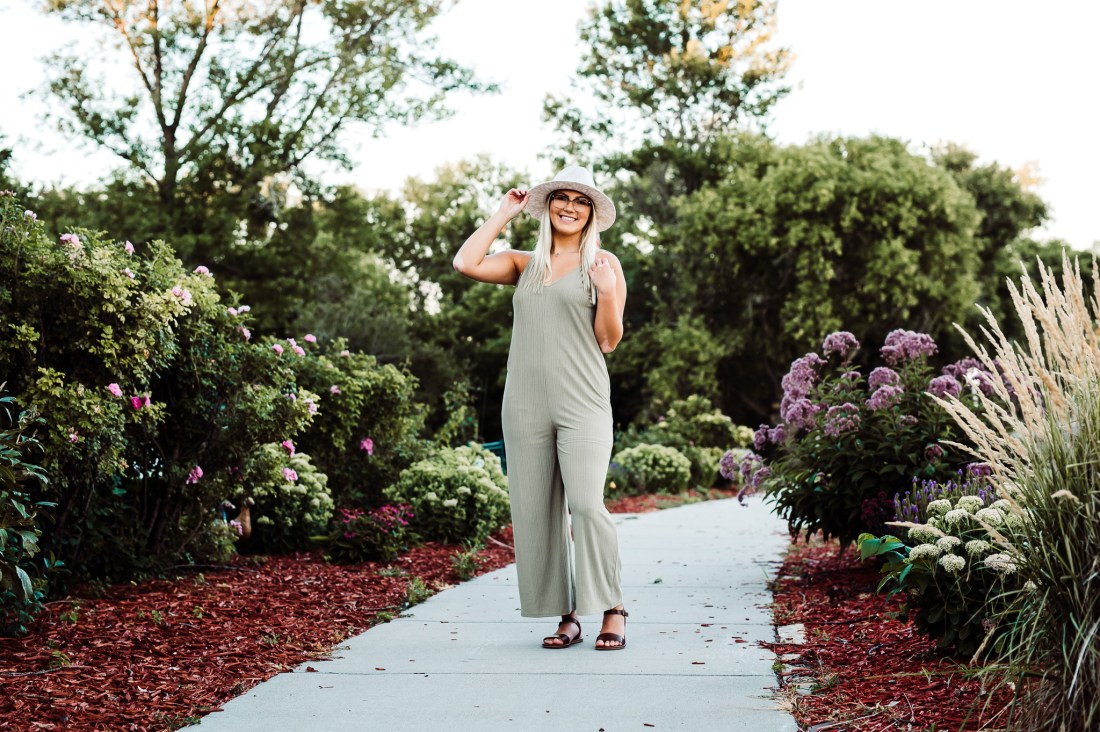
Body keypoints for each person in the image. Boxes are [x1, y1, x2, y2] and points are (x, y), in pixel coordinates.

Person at [452, 165, 629, 650]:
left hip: (583, 401)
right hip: (525, 404)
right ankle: (567, 615)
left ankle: (613, 608)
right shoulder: (521, 263)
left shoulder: (604, 264)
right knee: (534, 512)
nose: (570, 207)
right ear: (548, 205)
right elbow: (465, 263)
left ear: (591, 213)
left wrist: (607, 292)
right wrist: (503, 213)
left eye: (581, 200)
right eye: (562, 197)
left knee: (586, 504)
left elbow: (609, 341)